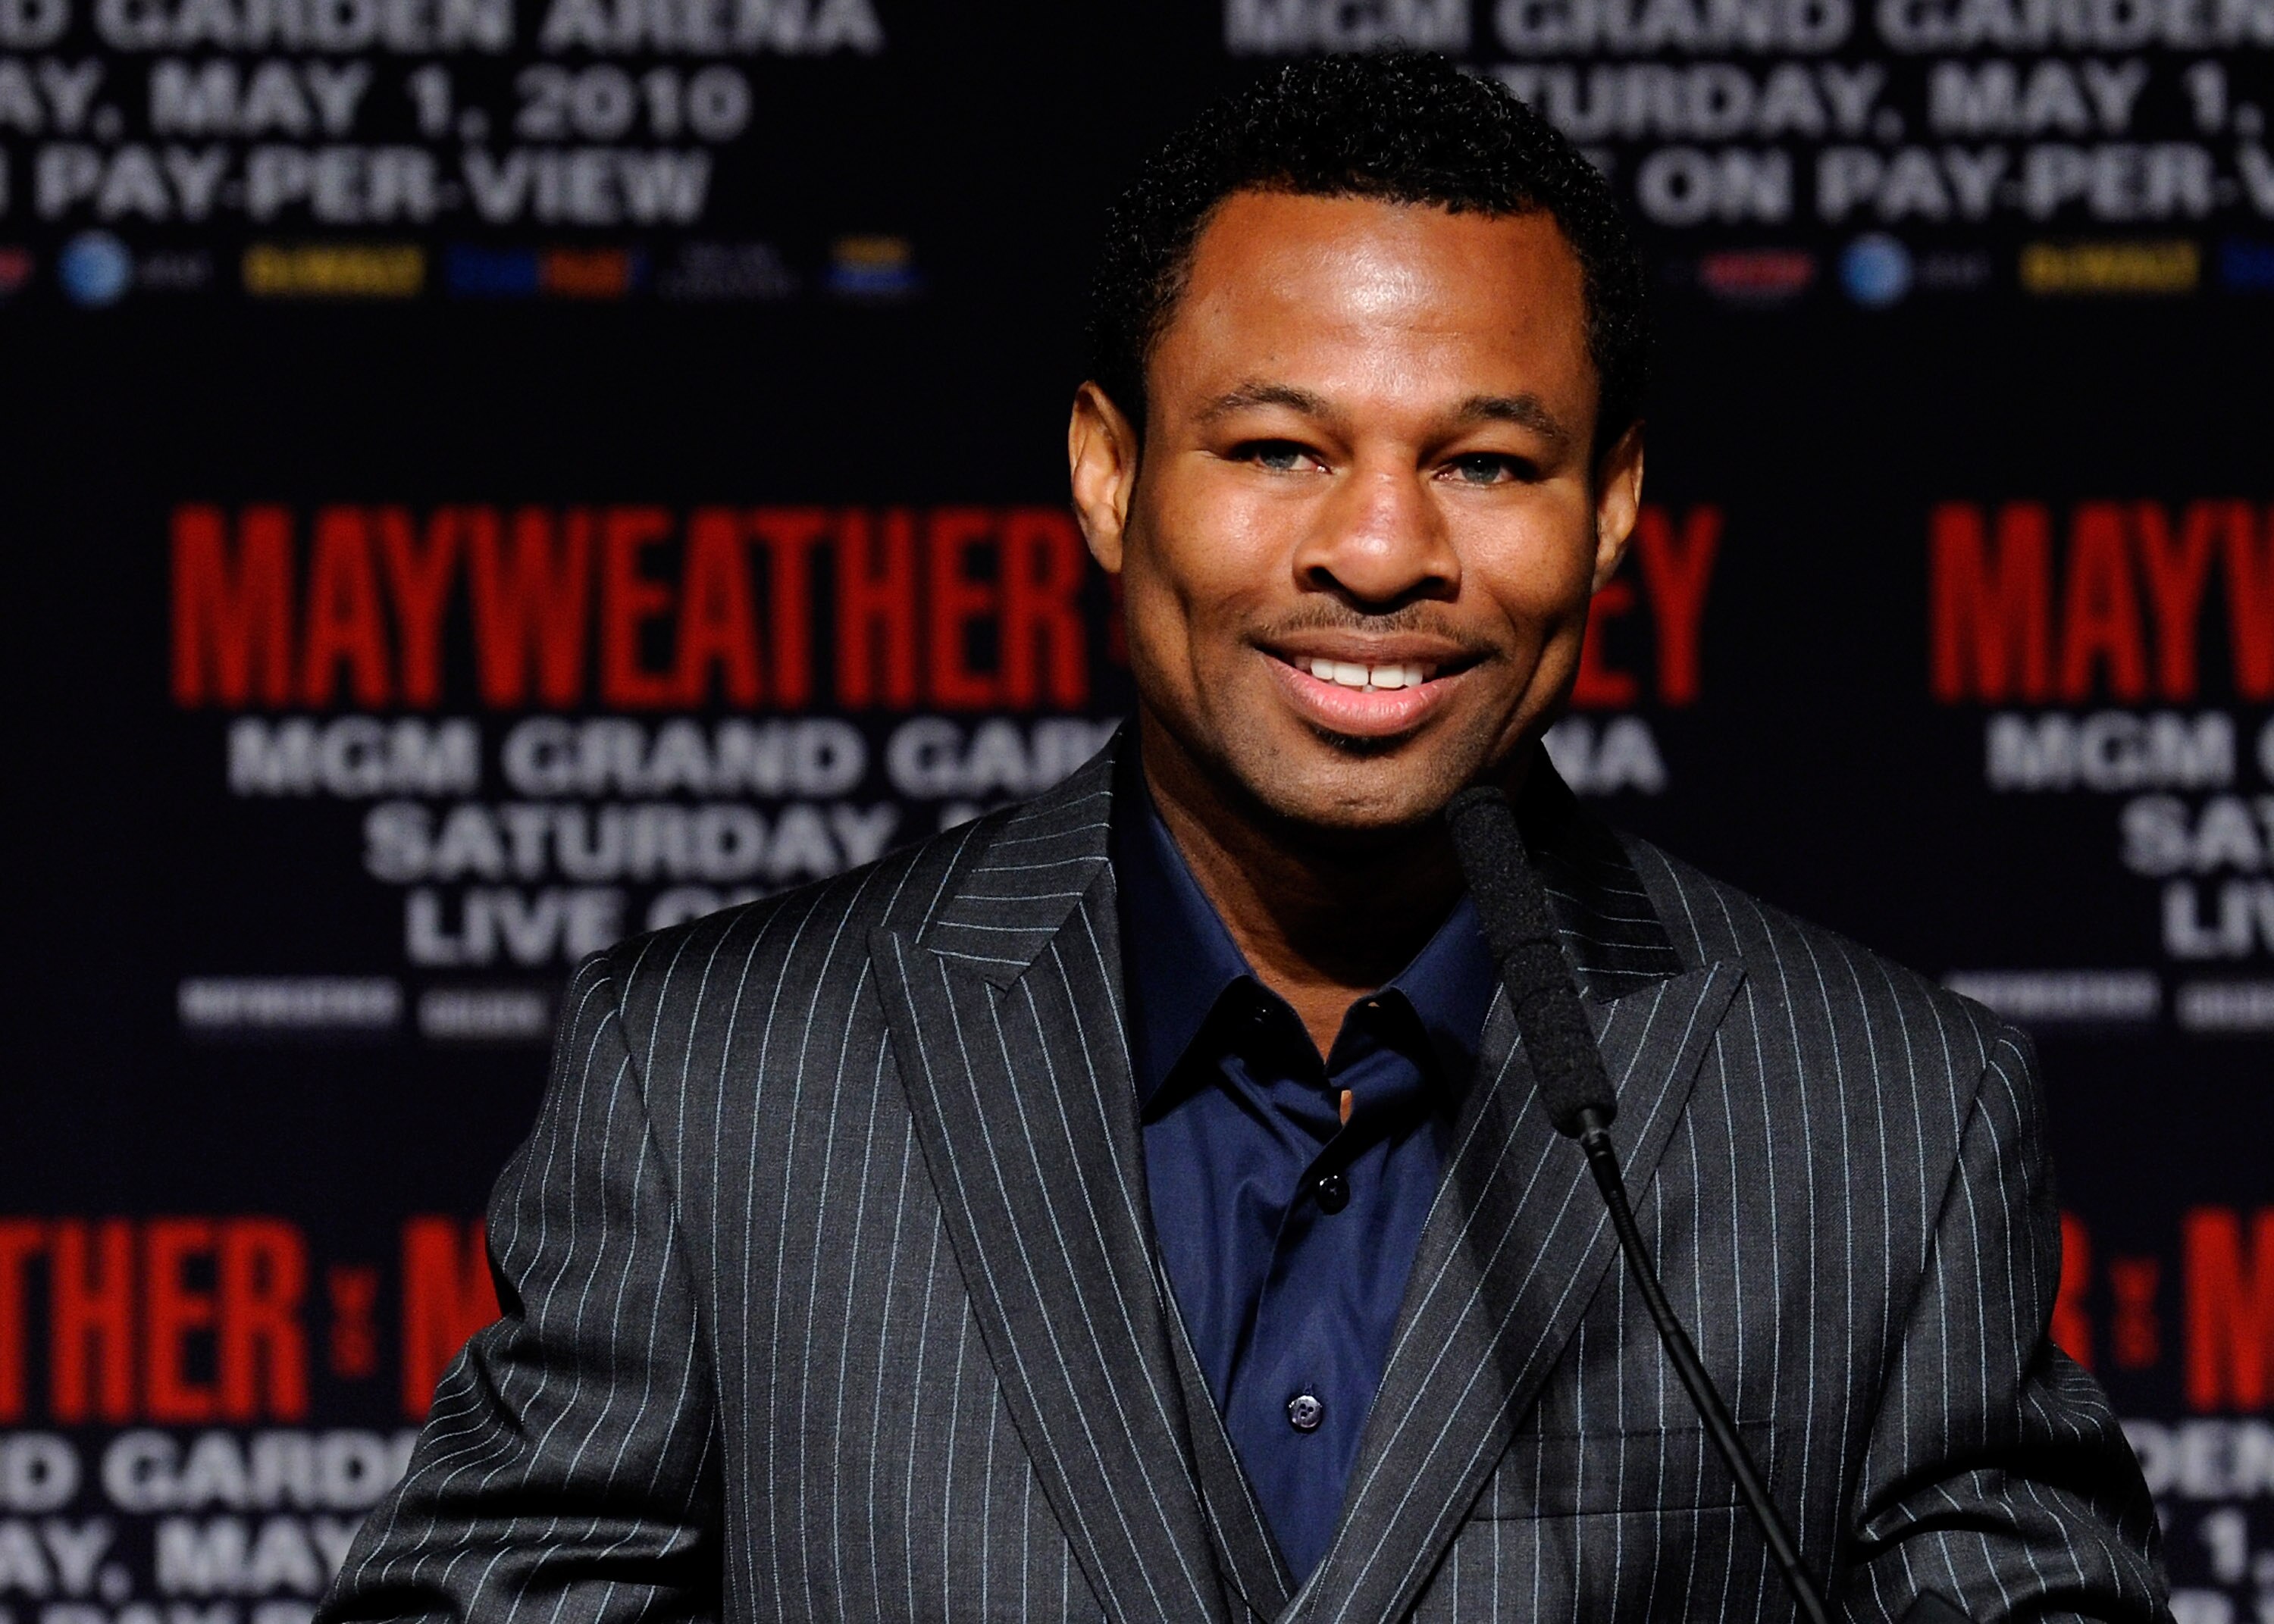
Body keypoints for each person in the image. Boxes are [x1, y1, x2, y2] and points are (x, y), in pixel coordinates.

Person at [318, 52, 2169, 1624]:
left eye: (1488, 463)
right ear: (1111, 476)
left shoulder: (1886, 1118)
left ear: (1613, 514)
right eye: (1281, 448)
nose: (1379, 552)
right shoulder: (724, 1080)